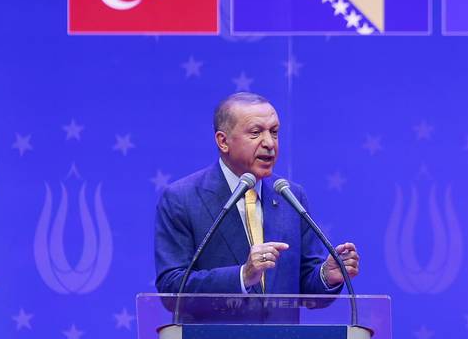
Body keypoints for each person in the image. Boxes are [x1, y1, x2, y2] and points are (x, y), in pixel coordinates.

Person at [154, 92, 360, 296]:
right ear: (223, 141)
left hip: (282, 331)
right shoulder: (182, 198)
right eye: (255, 133)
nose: (269, 143)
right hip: (215, 330)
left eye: (274, 132)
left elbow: (305, 284)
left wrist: (327, 275)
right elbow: (172, 287)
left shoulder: (290, 196)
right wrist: (242, 276)